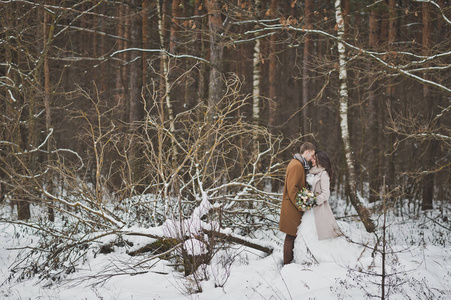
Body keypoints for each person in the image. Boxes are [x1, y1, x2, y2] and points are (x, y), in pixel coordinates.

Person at [294, 150, 344, 264]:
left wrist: (313, 200)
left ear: (320, 160)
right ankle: (304, 258)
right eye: (312, 157)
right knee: (305, 233)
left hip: (319, 209)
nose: (311, 159)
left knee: (317, 234)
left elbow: (326, 194)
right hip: (308, 210)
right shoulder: (312, 172)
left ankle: (318, 260)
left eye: (314, 158)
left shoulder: (324, 174)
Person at [279, 142, 316, 265]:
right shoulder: (296, 165)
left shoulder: (299, 164)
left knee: (292, 236)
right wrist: (301, 205)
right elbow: (292, 189)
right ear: (306, 152)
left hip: (293, 206)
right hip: (292, 207)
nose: (312, 159)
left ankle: (289, 263)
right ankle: (287, 264)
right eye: (312, 155)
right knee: (290, 236)